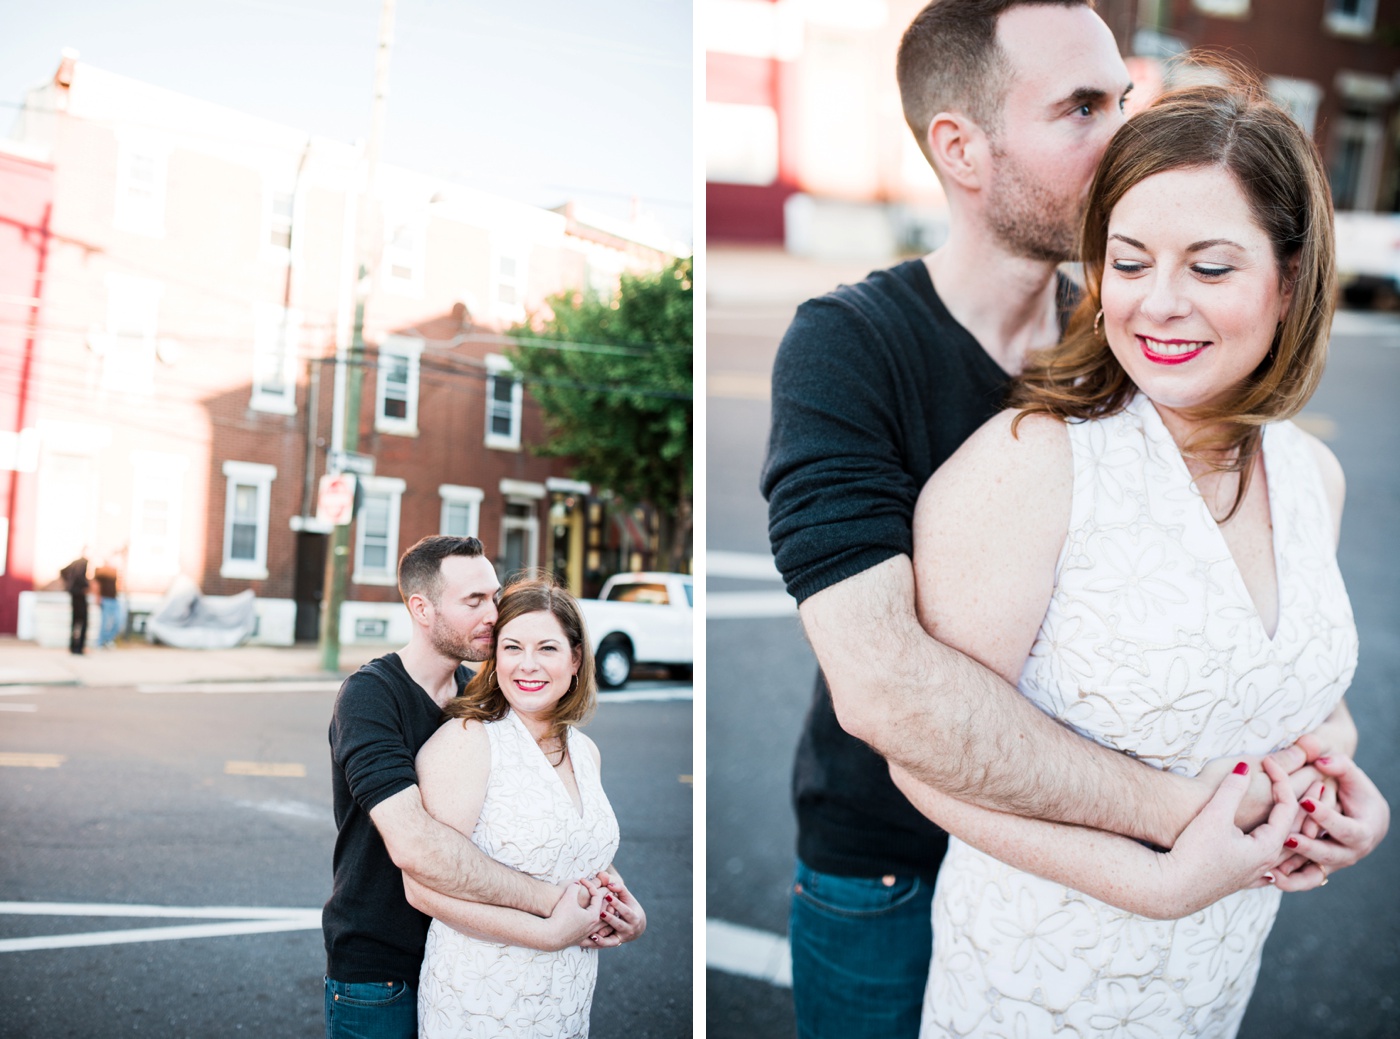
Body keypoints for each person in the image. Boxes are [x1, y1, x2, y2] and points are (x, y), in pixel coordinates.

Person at [760, 3, 1354, 1035]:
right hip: (890, 869)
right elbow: (886, 685)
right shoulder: (849, 346)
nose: (1120, 133)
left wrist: (1308, 783)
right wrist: (1180, 818)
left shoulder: (1132, 328)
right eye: (1079, 108)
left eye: (1122, 100)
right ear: (961, 148)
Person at [897, 79, 1390, 1037]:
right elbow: (926, 760)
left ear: (1290, 279)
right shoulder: (1031, 465)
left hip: (1212, 982)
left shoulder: (1310, 474)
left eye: (1210, 268)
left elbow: (1300, 701)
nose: (1157, 306)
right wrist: (1157, 882)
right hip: (1037, 989)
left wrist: (1338, 788)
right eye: (1128, 262)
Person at [323, 536, 603, 1039]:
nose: (494, 614)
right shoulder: (370, 697)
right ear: (422, 609)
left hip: (466, 951)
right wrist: (549, 904)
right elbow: (414, 845)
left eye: (494, 596)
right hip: (381, 968)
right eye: (473, 601)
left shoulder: (479, 694)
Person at [408, 577, 645, 1038]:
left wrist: (626, 911)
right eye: (513, 647)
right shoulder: (469, 741)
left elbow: (577, 849)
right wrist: (548, 934)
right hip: (482, 1001)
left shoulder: (585, 750)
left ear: (576, 659)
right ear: (495, 657)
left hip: (567, 997)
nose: (528, 665)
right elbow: (422, 890)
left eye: (548, 649)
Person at [59, 552, 89, 655]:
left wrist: (68, 584)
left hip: (73, 594)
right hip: (80, 594)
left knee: (75, 621)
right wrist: (86, 585)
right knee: (83, 621)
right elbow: (80, 576)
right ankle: (79, 648)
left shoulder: (74, 563)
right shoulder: (83, 562)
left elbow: (62, 571)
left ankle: (73, 646)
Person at [94, 557, 122, 648]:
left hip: (114, 599)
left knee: (118, 621)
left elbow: (117, 584)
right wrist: (98, 598)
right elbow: (96, 585)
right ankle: (100, 642)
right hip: (105, 599)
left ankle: (108, 639)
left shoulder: (114, 571)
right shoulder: (99, 571)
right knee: (104, 622)